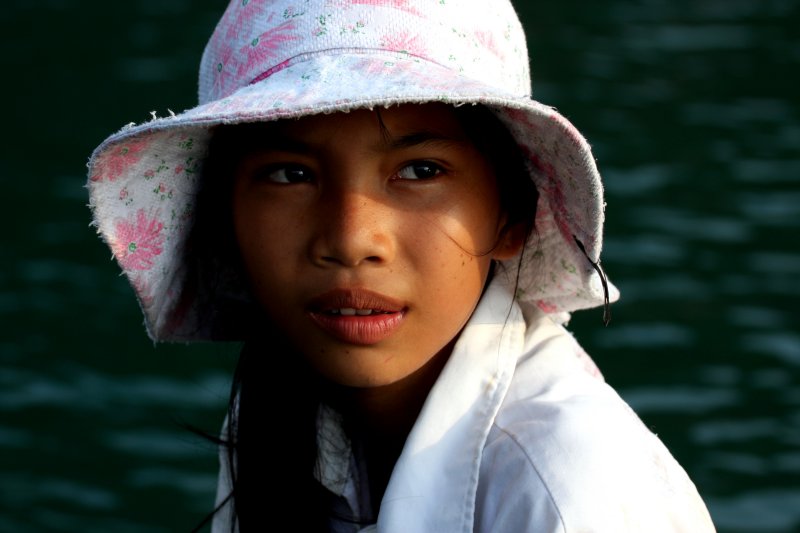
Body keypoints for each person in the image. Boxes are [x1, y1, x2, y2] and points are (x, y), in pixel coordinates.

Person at [86, 0, 716, 531]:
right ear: (225, 222)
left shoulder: (571, 494)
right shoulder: (283, 412)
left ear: (510, 217)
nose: (352, 239)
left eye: (420, 171)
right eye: (290, 174)